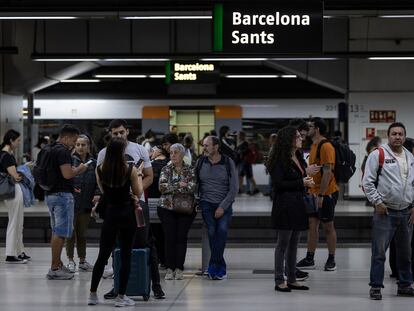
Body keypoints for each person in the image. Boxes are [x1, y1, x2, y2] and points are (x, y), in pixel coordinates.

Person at [88, 137, 144, 307]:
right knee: (126, 255)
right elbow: (138, 192)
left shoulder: (99, 169)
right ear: (122, 152)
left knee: (102, 255)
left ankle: (92, 295)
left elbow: (105, 192)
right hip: (126, 214)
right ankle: (121, 297)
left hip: (110, 214)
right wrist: (139, 176)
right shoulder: (130, 169)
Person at [363, 122, 414, 300]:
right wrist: (377, 201)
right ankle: (376, 287)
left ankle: (405, 285)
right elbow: (367, 182)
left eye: (401, 134)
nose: (397, 137)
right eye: (394, 134)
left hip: (406, 212)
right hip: (385, 212)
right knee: (379, 253)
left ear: (405, 136)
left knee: (406, 253)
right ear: (388, 136)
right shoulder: (378, 154)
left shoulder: (410, 156)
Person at [267, 127, 314, 292]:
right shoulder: (279, 159)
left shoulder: (299, 157)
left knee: (294, 243)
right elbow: (279, 184)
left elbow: (299, 178)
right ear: (289, 139)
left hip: (298, 204)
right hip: (285, 205)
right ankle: (279, 279)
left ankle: (292, 278)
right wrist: (302, 182)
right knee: (283, 243)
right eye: (298, 137)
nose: (301, 138)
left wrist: (306, 181)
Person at [45, 125, 88, 280]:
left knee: (57, 231)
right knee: (61, 233)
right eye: (75, 140)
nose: (74, 144)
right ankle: (55, 268)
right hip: (62, 196)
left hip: (50, 194)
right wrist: (80, 169)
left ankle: (57, 264)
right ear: (68, 137)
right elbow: (68, 174)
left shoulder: (49, 148)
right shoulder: (62, 151)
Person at [296, 117, 339, 272]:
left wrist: (321, 195)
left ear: (317, 129)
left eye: (310, 126)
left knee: (328, 226)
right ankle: (310, 258)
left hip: (326, 193)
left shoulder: (326, 146)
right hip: (313, 192)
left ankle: (332, 259)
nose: (308, 129)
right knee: (312, 225)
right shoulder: (313, 145)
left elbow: (328, 173)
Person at [197, 136, 238, 280]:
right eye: (204, 145)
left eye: (207, 146)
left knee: (221, 231)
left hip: (224, 203)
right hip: (206, 203)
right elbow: (196, 183)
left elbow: (234, 188)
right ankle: (218, 267)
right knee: (212, 232)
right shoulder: (201, 161)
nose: (204, 148)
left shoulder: (228, 162)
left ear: (216, 147)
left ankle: (213, 266)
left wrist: (222, 207)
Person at [158, 143, 196, 280]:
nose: (172, 155)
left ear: (182, 155)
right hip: (166, 208)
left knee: (181, 238)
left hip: (185, 208)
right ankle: (169, 268)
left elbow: (192, 187)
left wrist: (172, 187)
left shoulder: (190, 169)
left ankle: (179, 268)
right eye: (171, 153)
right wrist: (179, 185)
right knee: (169, 238)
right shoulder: (165, 169)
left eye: (176, 152)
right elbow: (162, 188)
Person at [65, 134, 100, 273]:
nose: (80, 147)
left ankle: (82, 260)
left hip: (87, 203)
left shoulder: (94, 162)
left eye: (83, 144)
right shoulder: (69, 161)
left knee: (82, 234)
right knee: (70, 233)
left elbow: (99, 181)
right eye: (78, 144)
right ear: (74, 146)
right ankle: (70, 260)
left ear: (88, 146)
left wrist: (97, 193)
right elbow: (65, 178)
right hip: (71, 203)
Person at [0, 130, 30, 263]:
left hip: (9, 191)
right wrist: (25, 169)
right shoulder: (7, 156)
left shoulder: (3, 154)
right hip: (13, 190)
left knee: (18, 221)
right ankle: (10, 254)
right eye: (17, 140)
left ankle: (19, 251)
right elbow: (16, 177)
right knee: (15, 222)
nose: (19, 143)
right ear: (11, 141)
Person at [236, 131, 260, 195]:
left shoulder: (245, 143)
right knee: (241, 176)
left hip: (246, 162)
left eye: (239, 135)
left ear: (241, 136)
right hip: (243, 162)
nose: (238, 136)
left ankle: (255, 189)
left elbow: (245, 151)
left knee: (249, 176)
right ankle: (240, 189)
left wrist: (240, 152)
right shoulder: (241, 143)